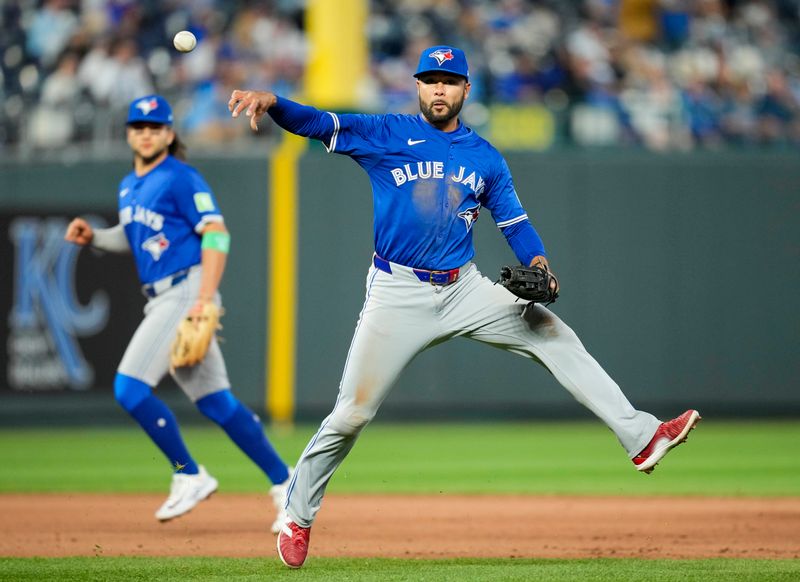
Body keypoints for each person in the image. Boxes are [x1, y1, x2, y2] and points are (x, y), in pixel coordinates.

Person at [228, 46, 701, 568]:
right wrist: (273, 102)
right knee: (351, 414)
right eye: (429, 79)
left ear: (465, 90)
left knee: (553, 333)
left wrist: (539, 261)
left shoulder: (485, 157)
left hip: (465, 288)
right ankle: (297, 515)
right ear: (417, 86)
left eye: (448, 81)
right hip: (397, 292)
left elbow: (515, 225)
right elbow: (319, 122)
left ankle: (641, 437)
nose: (438, 89)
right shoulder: (386, 133)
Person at [64, 94, 292, 532]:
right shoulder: (129, 184)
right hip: (165, 296)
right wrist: (94, 236)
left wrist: (204, 298)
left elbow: (217, 235)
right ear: (130, 133)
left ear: (169, 134)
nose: (146, 134)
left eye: (155, 128)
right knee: (218, 404)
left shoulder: (180, 177)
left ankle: (189, 473)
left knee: (129, 389)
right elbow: (131, 239)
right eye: (139, 127)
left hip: (185, 292)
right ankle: (287, 484)